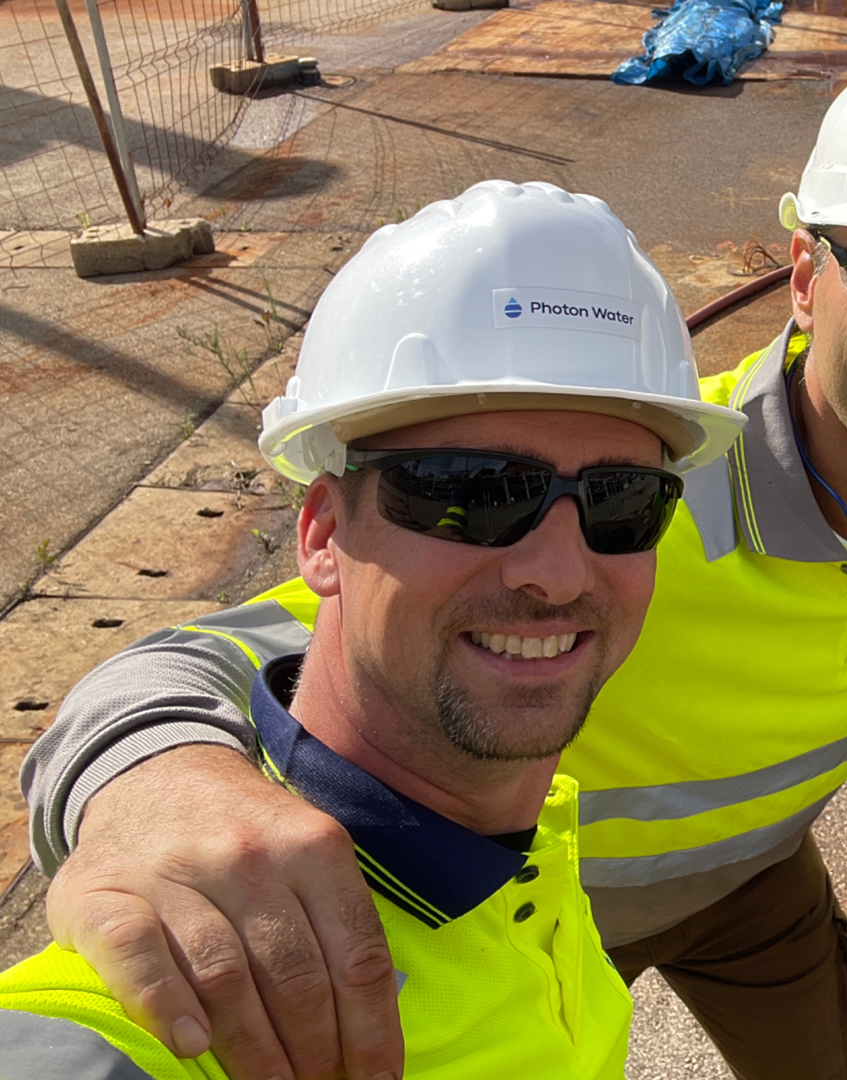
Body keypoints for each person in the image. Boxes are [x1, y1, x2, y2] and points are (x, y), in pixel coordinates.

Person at [22, 43, 847, 1080]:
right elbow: (207, 653)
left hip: (756, 882)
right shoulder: (631, 500)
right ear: (803, 275)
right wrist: (159, 785)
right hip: (552, 891)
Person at [0, 180, 748, 1078]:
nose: (556, 572)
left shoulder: (525, 850)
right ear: (322, 535)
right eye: (473, 493)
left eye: (623, 502)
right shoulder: (178, 981)